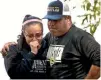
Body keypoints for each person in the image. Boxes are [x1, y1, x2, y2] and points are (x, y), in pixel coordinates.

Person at [1, 0, 100, 79]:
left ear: (68, 19)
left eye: (56, 20)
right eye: (49, 19)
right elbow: (33, 42)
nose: (51, 23)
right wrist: (10, 45)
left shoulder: (80, 37)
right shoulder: (49, 37)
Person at [2, 15, 48, 79]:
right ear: (24, 34)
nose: (34, 39)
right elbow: (14, 74)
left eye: (38, 35)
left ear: (42, 33)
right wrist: (32, 54)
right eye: (30, 36)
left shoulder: (47, 48)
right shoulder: (13, 50)